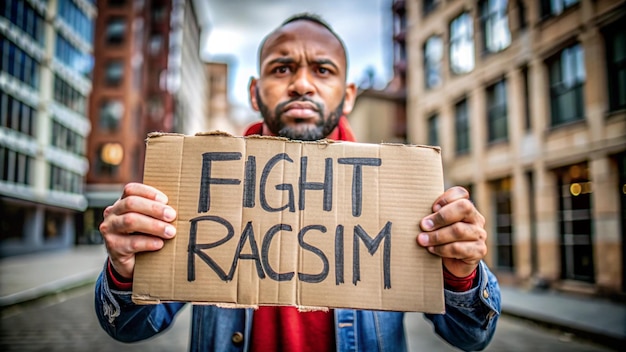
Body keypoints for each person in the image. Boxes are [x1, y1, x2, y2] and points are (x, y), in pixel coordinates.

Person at [94, 13, 500, 352]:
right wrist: (126, 271)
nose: (302, 84)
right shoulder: (202, 186)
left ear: (349, 93)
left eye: (323, 70)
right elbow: (130, 327)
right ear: (255, 92)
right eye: (281, 68)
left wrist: (460, 274)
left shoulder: (404, 192)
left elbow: (472, 336)